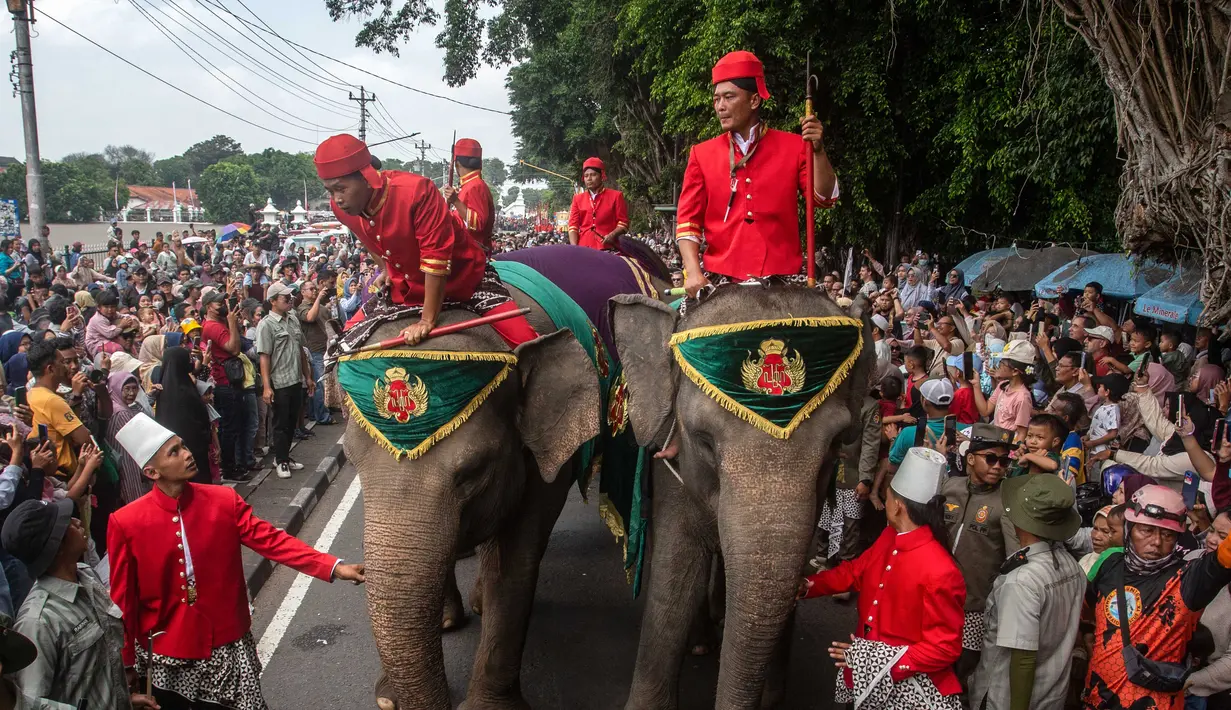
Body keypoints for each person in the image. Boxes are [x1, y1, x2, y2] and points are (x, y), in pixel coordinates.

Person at [108, 413, 365, 710]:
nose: (188, 454)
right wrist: (126, 663)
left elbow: (273, 541)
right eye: (175, 452)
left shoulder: (223, 501)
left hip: (228, 646)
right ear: (152, 472)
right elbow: (123, 600)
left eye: (184, 446)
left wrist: (334, 566)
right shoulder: (126, 522)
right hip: (166, 656)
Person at [313, 133, 537, 351]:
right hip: (406, 286)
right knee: (341, 349)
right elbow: (367, 238)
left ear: (366, 177)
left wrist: (427, 320)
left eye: (341, 189)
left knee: (526, 343)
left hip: (463, 276)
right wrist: (387, 269)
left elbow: (437, 259)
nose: (337, 200)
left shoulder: (417, 191)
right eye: (330, 191)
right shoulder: (341, 208)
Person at [800, 447, 964, 707]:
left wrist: (877, 662)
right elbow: (856, 572)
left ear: (897, 507)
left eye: (886, 496)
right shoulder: (890, 536)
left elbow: (944, 648)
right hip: (863, 666)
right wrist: (809, 586)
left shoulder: (942, 571)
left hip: (906, 687)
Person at [673, 51, 838, 299]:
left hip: (784, 278)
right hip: (721, 280)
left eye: (729, 97)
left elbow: (824, 199)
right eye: (716, 98)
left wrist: (818, 150)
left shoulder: (795, 147)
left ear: (753, 101)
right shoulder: (701, 154)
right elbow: (687, 223)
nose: (720, 106)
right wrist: (693, 272)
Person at [1083, 485, 1231, 710]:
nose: (1156, 542)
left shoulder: (1189, 579)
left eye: (1168, 534)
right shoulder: (1110, 566)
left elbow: (1224, 557)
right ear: (1129, 528)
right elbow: (1088, 614)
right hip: (1096, 699)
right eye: (1146, 530)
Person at [2, 498, 158, 709]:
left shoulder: (86, 576)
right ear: (57, 546)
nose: (77, 521)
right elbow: (32, 702)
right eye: (67, 523)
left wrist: (124, 702)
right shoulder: (39, 622)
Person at [969, 473, 1086, 710]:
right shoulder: (1072, 566)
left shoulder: (1021, 582)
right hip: (1052, 696)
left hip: (1006, 699)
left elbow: (1023, 659)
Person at [941, 422, 1017, 684]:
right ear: (970, 459)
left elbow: (1014, 558)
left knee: (963, 667)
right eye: (991, 458)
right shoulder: (950, 487)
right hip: (937, 596)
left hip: (975, 606)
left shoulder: (1007, 501)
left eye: (1004, 462)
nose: (998, 466)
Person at [256, 282, 311, 479]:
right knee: (280, 424)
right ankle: (280, 460)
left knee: (291, 422)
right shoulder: (266, 325)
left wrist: (308, 377)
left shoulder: (293, 319)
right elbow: (264, 357)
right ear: (272, 301)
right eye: (284, 298)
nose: (289, 300)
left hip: (295, 379)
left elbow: (301, 351)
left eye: (289, 297)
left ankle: (285, 457)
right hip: (279, 381)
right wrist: (267, 387)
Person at [198, 290, 247, 482]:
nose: (223, 306)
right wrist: (232, 324)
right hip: (225, 382)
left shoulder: (218, 323)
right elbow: (234, 348)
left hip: (228, 381)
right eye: (219, 303)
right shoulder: (213, 327)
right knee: (229, 427)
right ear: (209, 306)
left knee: (233, 425)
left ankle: (233, 463)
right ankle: (229, 467)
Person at [25, 339, 90, 479]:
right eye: (62, 362)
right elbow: (84, 439)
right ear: (51, 369)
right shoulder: (52, 400)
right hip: (63, 475)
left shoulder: (32, 393)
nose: (67, 367)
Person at [153, 347, 214, 486]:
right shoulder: (185, 390)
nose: (191, 363)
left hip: (171, 453)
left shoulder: (161, 389)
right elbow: (198, 422)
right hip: (194, 452)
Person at [295, 277, 336, 427]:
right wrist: (319, 298)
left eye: (315, 289)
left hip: (326, 347)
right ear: (303, 292)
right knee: (319, 384)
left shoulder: (320, 306)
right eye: (311, 289)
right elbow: (310, 317)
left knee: (321, 384)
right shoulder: (302, 307)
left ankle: (315, 412)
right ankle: (322, 416)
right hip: (314, 350)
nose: (314, 291)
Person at [443, 138, 496, 253]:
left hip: (471, 255)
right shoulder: (469, 186)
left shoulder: (475, 186)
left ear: (456, 164)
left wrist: (456, 201)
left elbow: (478, 224)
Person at [566, 158, 629, 251]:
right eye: (586, 176)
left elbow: (623, 223)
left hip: (608, 247)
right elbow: (573, 226)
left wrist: (612, 235)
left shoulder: (616, 196)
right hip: (584, 248)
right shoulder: (577, 198)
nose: (589, 179)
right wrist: (574, 248)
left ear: (602, 176)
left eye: (593, 175)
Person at [1006, 413, 1066, 478]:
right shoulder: (1024, 450)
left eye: (1040, 437)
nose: (1032, 441)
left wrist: (1028, 456)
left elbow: (1053, 465)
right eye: (1029, 436)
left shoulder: (1048, 454)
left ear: (1055, 442)